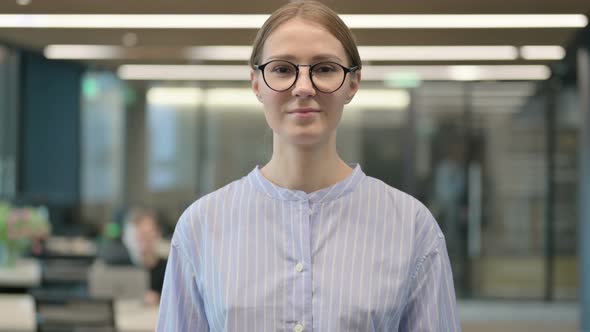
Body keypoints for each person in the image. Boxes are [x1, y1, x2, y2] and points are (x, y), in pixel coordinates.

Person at [157, 1, 460, 331]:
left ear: (353, 84)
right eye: (283, 69)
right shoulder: (201, 227)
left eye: (325, 69)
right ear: (256, 83)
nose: (303, 87)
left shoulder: (412, 227)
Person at [122, 207, 168, 305]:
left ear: (158, 234)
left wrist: (159, 297)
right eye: (141, 235)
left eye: (148, 234)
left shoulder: (168, 268)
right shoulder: (127, 269)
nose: (145, 240)